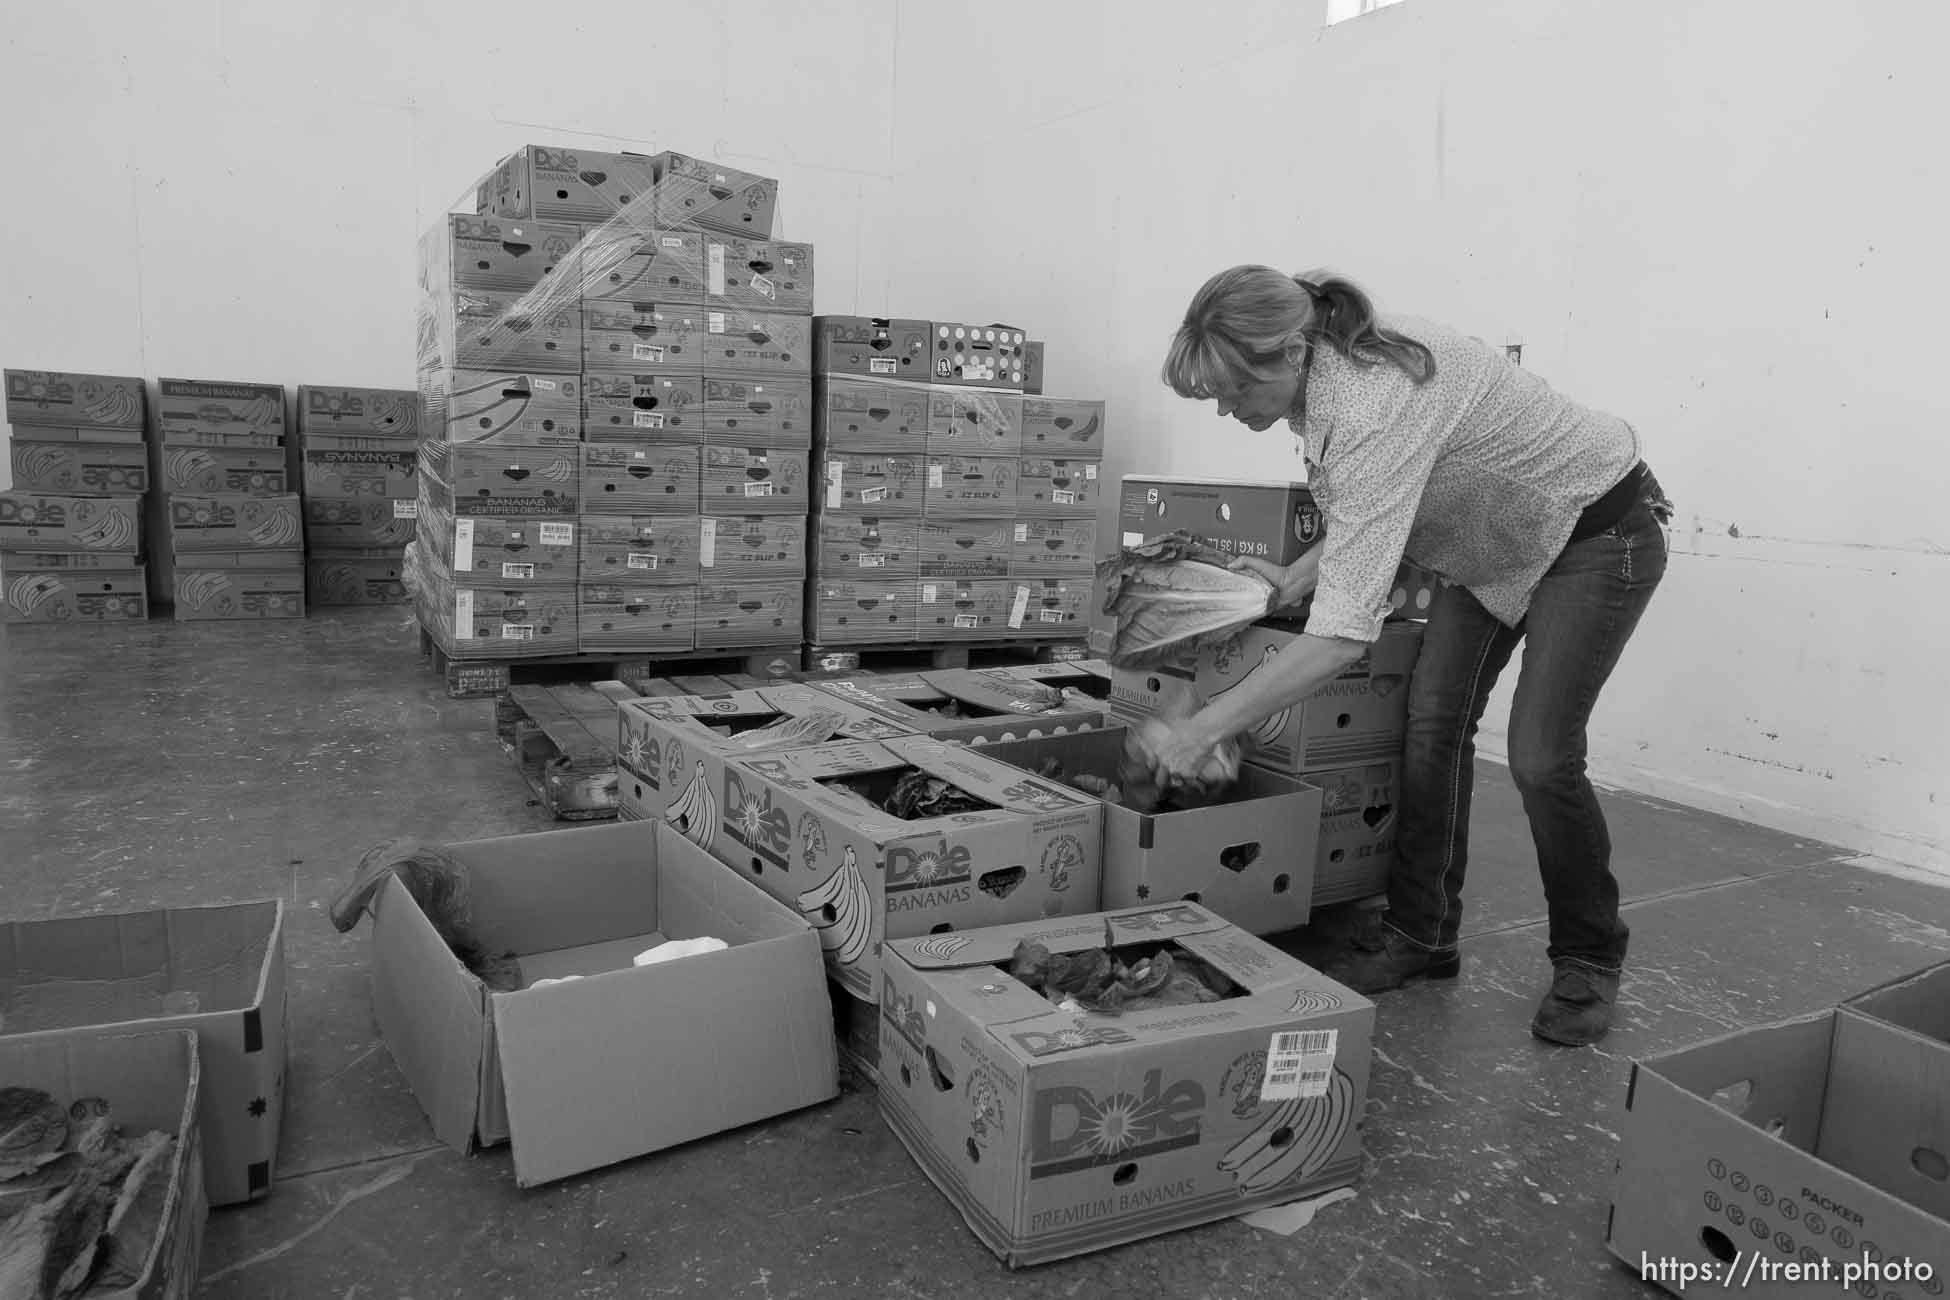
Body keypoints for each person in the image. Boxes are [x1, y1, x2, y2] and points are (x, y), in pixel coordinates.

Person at [1148, 266, 1672, 1047]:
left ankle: (1589, 957)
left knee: (1539, 755)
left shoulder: (1370, 399)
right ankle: (1423, 936)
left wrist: (1201, 729)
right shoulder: (1325, 379)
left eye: (1231, 391)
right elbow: (1375, 509)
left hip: (1595, 535)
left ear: (1289, 353)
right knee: (1430, 724)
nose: (1226, 409)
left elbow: (1339, 639)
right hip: (1490, 552)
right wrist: (1289, 580)